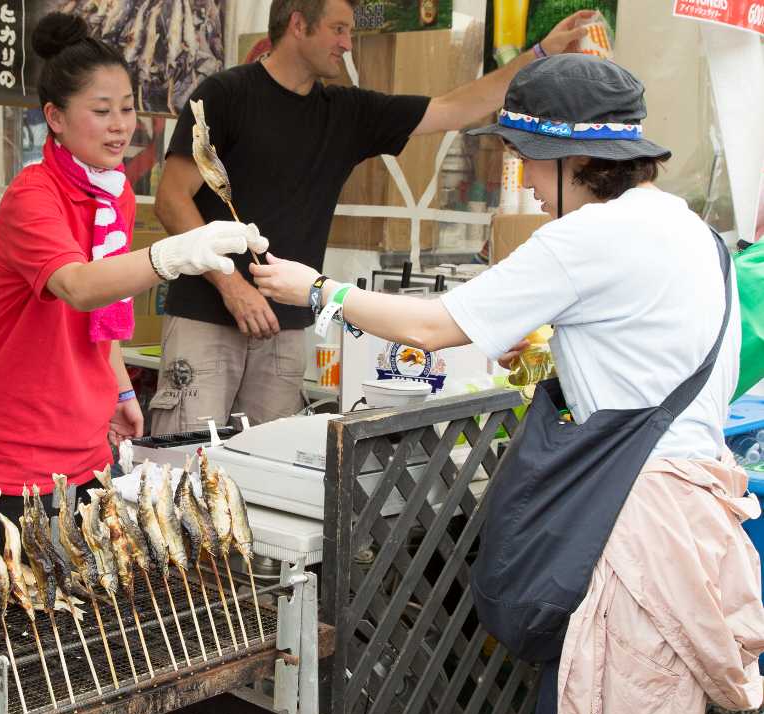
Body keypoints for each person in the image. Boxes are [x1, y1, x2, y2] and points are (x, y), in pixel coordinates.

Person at [251, 54, 764, 714]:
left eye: (527, 159)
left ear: (571, 159)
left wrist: (321, 291)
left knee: (602, 711)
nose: (523, 178)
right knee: (649, 709)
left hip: (628, 520)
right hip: (690, 506)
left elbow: (434, 327)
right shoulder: (687, 228)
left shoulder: (586, 236)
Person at [148, 0, 594, 434]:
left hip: (286, 328)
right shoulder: (225, 95)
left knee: (265, 470)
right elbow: (171, 200)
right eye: (339, 29)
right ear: (299, 24)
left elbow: (454, 109)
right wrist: (232, 287)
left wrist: (540, 54)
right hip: (206, 316)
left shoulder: (347, 112)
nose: (348, 43)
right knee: (185, 466)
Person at [0, 12, 268, 532]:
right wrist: (171, 255)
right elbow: (78, 287)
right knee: (29, 605)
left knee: (86, 596)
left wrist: (120, 392)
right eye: (102, 111)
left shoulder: (115, 190)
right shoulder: (32, 196)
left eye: (126, 108)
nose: (121, 125)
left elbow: (104, 310)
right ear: (55, 117)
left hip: (86, 434)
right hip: (16, 443)